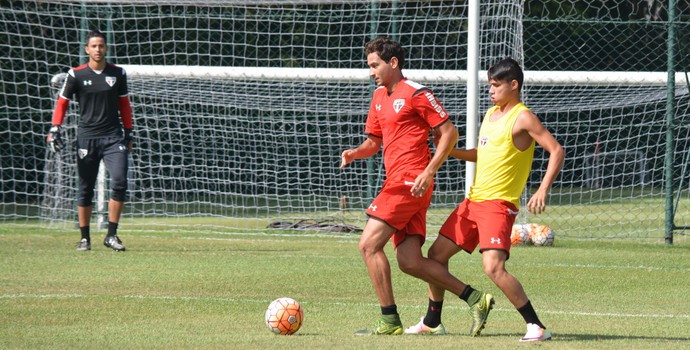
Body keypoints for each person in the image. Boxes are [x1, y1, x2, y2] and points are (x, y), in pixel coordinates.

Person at [341, 36, 494, 336]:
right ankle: (475, 298)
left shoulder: (416, 93)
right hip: (400, 182)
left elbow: (450, 132)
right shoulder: (378, 98)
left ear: (393, 63)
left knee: (368, 245)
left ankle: (389, 320)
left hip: (409, 181)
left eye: (375, 65)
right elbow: (374, 141)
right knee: (409, 261)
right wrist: (356, 152)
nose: (371, 71)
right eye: (369, 66)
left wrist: (429, 170)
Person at [405, 57, 564, 342]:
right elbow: (482, 154)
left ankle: (536, 326)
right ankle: (432, 321)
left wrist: (542, 189)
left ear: (513, 85)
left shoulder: (523, 117)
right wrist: (450, 151)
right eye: (489, 85)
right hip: (472, 203)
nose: (490, 90)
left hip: (497, 205)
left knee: (493, 268)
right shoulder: (491, 114)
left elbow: (556, 150)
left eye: (496, 85)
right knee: (435, 256)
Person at [47, 29, 134, 252]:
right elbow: (62, 103)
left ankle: (112, 235)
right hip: (87, 138)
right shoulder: (76, 75)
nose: (98, 49)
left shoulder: (118, 73)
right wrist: (55, 128)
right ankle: (85, 239)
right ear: (87, 49)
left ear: (106, 48)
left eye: (101, 45)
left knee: (120, 181)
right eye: (94, 46)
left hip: (114, 138)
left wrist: (129, 131)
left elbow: (124, 105)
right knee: (85, 188)